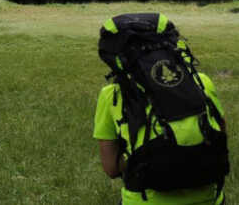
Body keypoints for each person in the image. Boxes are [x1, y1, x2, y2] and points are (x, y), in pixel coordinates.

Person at [93, 13, 228, 205]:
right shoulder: (202, 83)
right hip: (209, 199)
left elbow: (111, 168)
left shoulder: (112, 95)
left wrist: (139, 159)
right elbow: (220, 137)